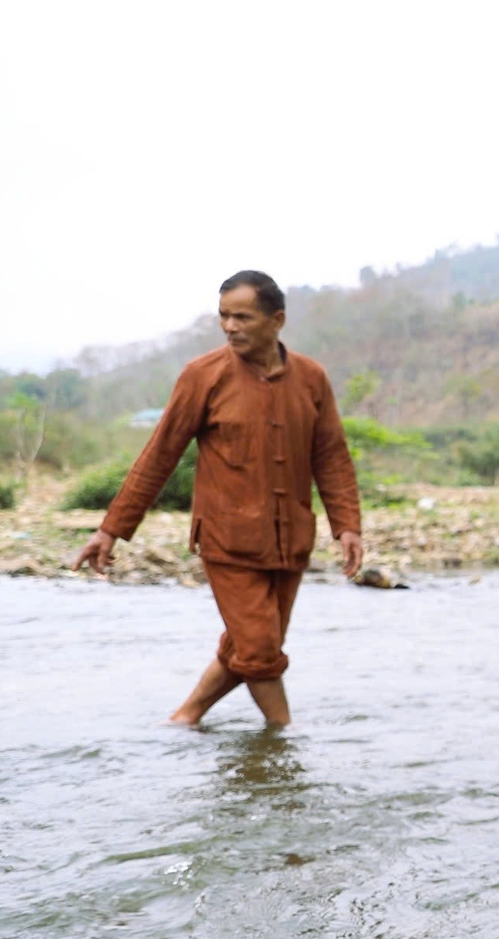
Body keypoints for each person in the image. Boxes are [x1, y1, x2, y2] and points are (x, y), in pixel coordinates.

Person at [72, 271, 365, 727]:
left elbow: (331, 457)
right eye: (224, 317)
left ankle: (185, 718)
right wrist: (111, 530)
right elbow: (159, 455)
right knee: (260, 649)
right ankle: (282, 741)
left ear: (277, 320)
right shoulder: (202, 376)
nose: (230, 327)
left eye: (242, 317)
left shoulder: (311, 378)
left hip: (291, 540)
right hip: (228, 540)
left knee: (248, 648)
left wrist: (347, 526)